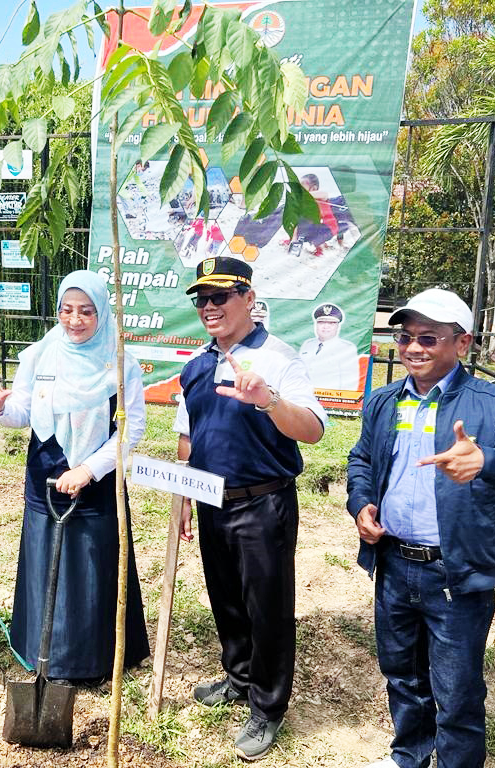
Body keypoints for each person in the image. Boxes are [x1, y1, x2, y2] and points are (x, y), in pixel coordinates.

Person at [347, 288, 495, 768]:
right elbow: (361, 459)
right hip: (394, 564)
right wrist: (362, 503)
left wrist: (487, 459)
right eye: (405, 337)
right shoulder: (382, 401)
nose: (413, 348)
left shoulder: (494, 403)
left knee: (457, 692)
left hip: (455, 574)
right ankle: (409, 756)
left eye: (429, 338)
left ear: (462, 343)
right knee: (402, 676)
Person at [173, 256, 326, 761]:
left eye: (220, 296)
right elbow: (187, 437)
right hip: (213, 502)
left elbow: (312, 428)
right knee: (226, 600)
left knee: (269, 610)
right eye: (202, 299)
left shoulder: (278, 358)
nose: (209, 307)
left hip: (264, 505)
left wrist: (267, 400)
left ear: (247, 298)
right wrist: (184, 501)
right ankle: (239, 677)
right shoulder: (196, 366)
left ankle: (267, 707)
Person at [0, 270, 149, 683]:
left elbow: (132, 428)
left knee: (91, 563)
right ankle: (42, 653)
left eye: (86, 311)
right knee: (44, 558)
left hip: (97, 478)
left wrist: (89, 470)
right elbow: (21, 413)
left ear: (102, 312)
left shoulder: (121, 360)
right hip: (45, 470)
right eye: (66, 310)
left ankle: (90, 660)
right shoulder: (40, 354)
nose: (75, 320)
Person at [297, 302, 361, 390]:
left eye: (331, 323)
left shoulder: (346, 348)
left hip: (330, 400)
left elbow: (350, 383)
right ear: (316, 325)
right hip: (303, 397)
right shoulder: (308, 345)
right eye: (321, 322)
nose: (325, 327)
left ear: (337, 326)